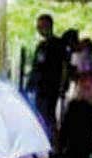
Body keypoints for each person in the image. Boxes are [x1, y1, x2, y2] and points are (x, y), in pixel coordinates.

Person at [27, 13, 67, 143]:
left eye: (41, 26)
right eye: (38, 26)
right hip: (40, 86)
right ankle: (45, 142)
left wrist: (62, 85)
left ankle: (54, 144)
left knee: (48, 116)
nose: (39, 29)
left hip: (51, 86)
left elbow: (64, 66)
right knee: (41, 115)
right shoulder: (41, 46)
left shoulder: (58, 44)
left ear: (49, 25)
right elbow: (36, 66)